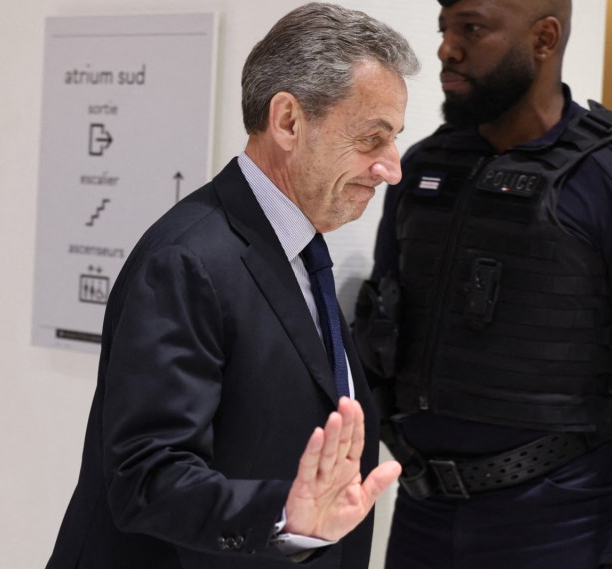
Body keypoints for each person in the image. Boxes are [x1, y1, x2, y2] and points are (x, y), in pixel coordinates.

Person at [45, 4, 419, 568]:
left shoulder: (303, 248)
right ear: (288, 121)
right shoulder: (185, 261)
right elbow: (147, 478)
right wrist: (285, 519)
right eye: (372, 139)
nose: (392, 168)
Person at [353, 1, 612, 568]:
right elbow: (378, 342)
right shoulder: (421, 168)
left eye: (471, 28)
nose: (447, 48)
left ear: (544, 38)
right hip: (422, 521)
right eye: (445, 28)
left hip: (564, 529)